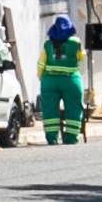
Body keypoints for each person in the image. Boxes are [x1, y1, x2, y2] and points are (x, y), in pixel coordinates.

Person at [38, 13, 89, 143]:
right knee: (73, 108)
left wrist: (42, 79)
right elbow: (81, 57)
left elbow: (41, 64)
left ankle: (51, 138)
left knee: (49, 110)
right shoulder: (75, 42)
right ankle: (71, 138)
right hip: (70, 80)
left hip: (49, 81)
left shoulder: (48, 44)